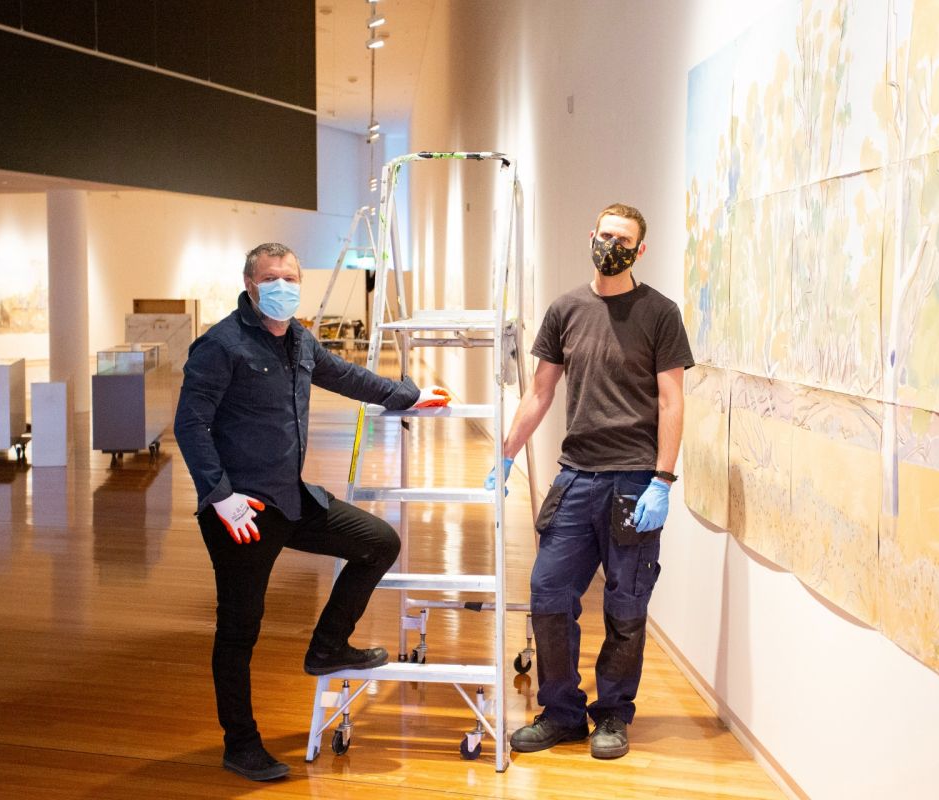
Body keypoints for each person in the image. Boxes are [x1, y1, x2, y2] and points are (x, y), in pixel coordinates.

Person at [174, 242, 450, 781]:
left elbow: (347, 377)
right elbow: (190, 424)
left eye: (291, 277)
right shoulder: (221, 345)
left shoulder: (299, 338)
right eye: (272, 278)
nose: (284, 286)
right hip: (244, 513)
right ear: (251, 284)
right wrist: (219, 494)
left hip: (292, 499)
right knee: (239, 629)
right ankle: (241, 743)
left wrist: (407, 396)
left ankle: (327, 647)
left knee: (378, 542)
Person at [488, 204, 693, 759]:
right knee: (549, 594)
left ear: (640, 251)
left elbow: (673, 400)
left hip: (633, 483)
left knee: (626, 607)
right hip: (576, 476)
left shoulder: (660, 313)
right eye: (605, 234)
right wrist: (505, 455)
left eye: (623, 239)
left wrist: (663, 480)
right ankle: (561, 713)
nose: (612, 245)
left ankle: (612, 717)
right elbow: (539, 392)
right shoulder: (566, 309)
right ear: (591, 236)